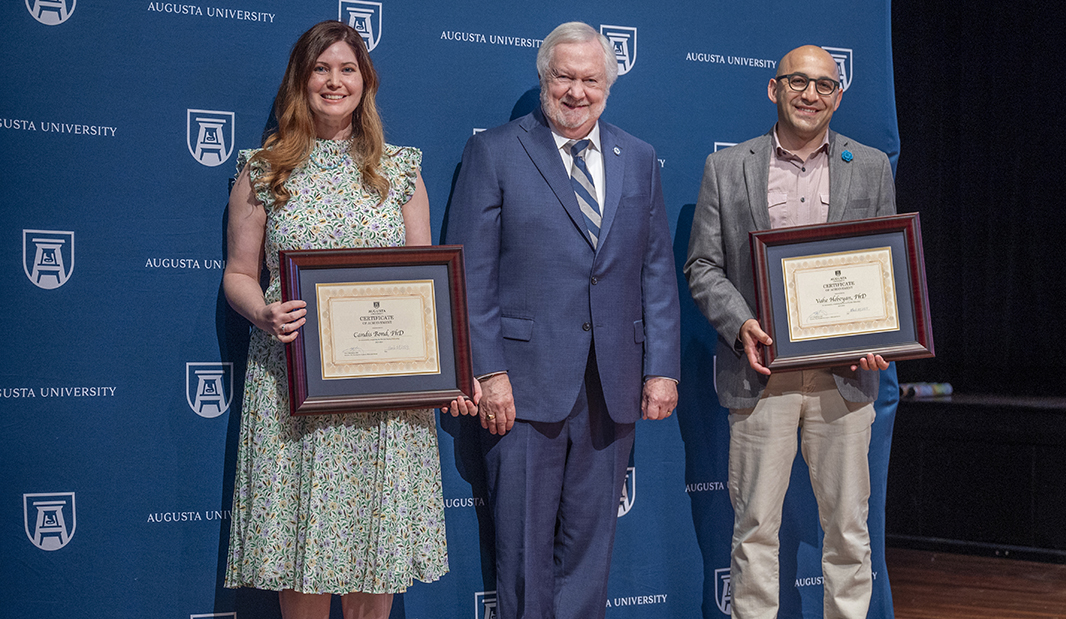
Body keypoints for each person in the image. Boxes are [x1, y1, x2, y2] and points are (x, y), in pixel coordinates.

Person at [221, 21, 477, 619]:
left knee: (376, 551)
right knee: (301, 557)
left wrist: (448, 371)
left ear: (366, 82)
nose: (335, 82)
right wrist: (264, 310)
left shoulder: (400, 170)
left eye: (347, 70)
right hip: (295, 389)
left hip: (385, 393)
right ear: (300, 80)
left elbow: (426, 286)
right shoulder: (263, 171)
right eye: (321, 69)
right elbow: (237, 274)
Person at [447, 21, 680, 619]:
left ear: (610, 84)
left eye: (591, 80)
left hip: (613, 384)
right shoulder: (494, 150)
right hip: (522, 386)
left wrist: (662, 370)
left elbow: (656, 271)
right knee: (521, 547)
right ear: (544, 78)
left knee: (589, 549)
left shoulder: (641, 157)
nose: (577, 92)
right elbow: (469, 274)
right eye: (565, 77)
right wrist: (488, 370)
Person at [683, 45, 895, 619]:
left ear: (838, 97)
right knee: (754, 528)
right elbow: (702, 265)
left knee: (849, 529)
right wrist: (741, 324)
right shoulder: (728, 168)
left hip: (843, 378)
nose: (811, 95)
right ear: (773, 89)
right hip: (761, 376)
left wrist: (878, 334)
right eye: (798, 82)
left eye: (825, 86)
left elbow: (882, 265)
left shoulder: (871, 166)